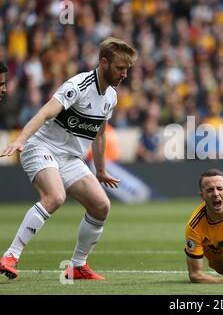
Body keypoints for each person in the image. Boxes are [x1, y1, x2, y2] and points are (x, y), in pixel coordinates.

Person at [0, 37, 137, 280]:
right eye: (120, 68)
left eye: (127, 69)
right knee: (55, 197)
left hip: (70, 157)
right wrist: (21, 139)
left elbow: (100, 133)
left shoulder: (111, 97)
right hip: (41, 146)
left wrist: (101, 169)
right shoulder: (79, 85)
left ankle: (77, 266)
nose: (124, 74)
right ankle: (10, 255)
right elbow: (44, 113)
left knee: (101, 206)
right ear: (104, 63)